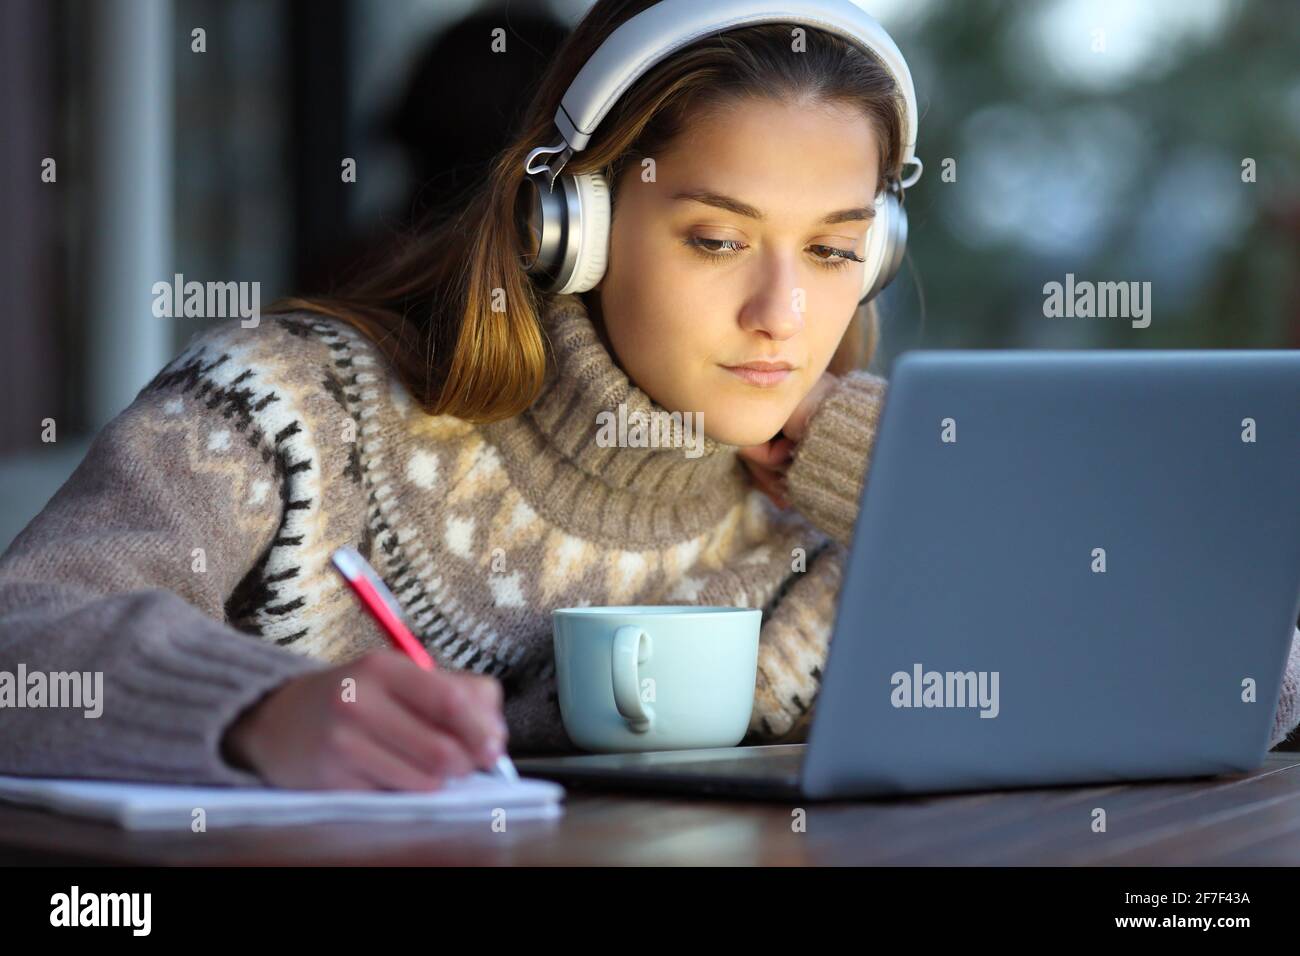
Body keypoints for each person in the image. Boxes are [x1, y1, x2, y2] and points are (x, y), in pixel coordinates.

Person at [2, 0, 1296, 792]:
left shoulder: (850, 509)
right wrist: (250, 715)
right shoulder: (295, 410)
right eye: (717, 239)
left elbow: (1250, 682)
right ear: (576, 225)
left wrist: (942, 495)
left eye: (837, 250)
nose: (784, 316)